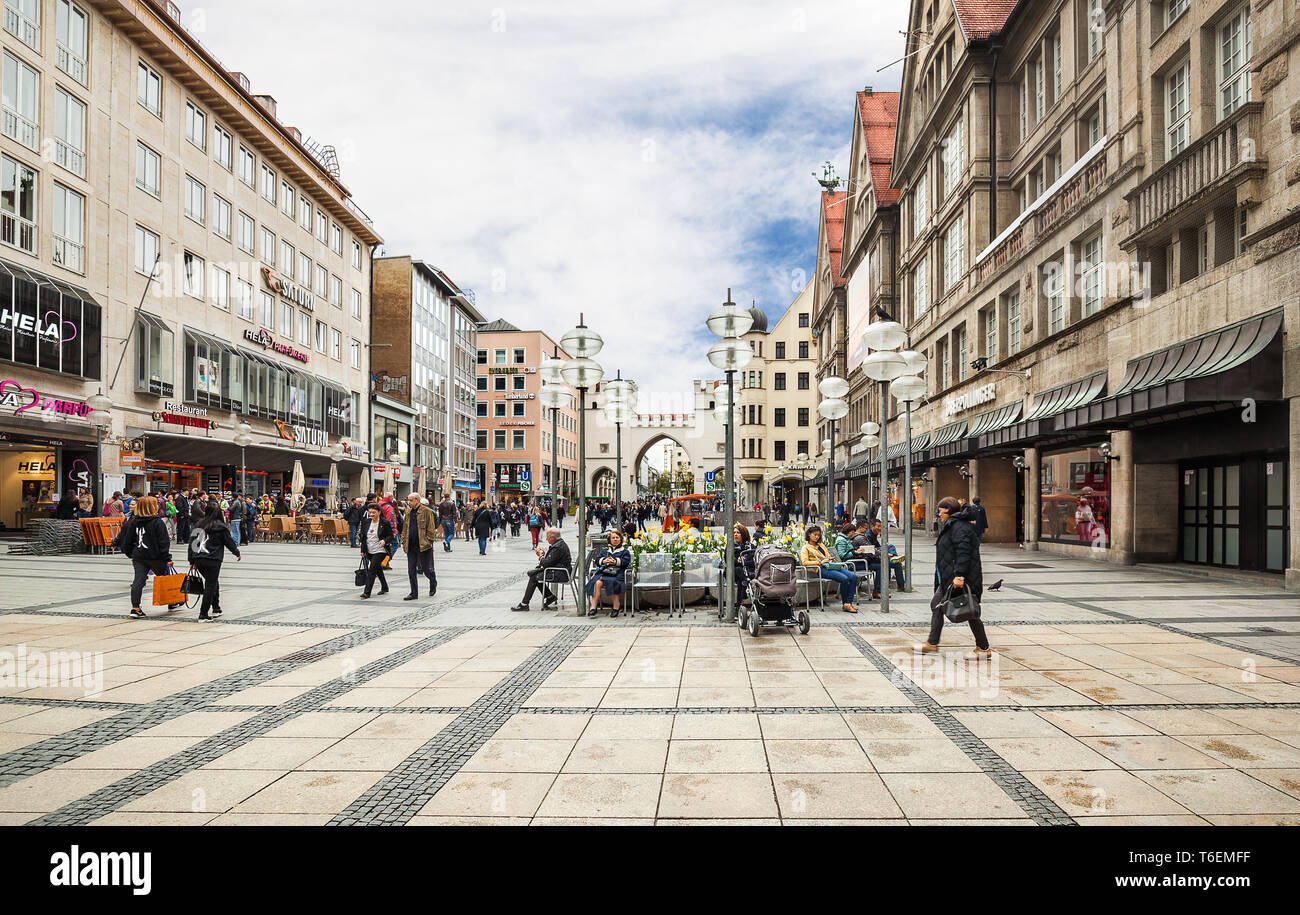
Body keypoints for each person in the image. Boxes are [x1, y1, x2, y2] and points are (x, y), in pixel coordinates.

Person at [915, 496, 991, 660]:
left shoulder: (959, 527)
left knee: (970, 611)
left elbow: (963, 553)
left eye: (940, 511)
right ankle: (932, 643)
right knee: (937, 605)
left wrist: (960, 576)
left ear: (948, 510)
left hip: (961, 578)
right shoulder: (953, 525)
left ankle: (983, 648)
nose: (939, 514)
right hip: (949, 577)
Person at [114, 495, 177, 619]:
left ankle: (135, 608)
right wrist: (167, 558)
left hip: (139, 556)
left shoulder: (133, 521)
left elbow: (128, 540)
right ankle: (172, 601)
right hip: (156, 557)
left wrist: (131, 554)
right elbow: (163, 543)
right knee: (165, 578)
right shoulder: (157, 522)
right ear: (152, 507)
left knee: (138, 580)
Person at [188, 500, 241, 621]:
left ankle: (216, 607)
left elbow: (192, 544)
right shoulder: (221, 527)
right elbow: (228, 542)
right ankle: (203, 614)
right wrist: (236, 552)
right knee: (210, 585)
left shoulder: (198, 525)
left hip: (199, 559)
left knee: (212, 581)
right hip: (213, 559)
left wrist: (191, 560)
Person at [800, 524, 858, 613]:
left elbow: (827, 555)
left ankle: (848, 603)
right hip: (821, 569)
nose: (817, 537)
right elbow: (805, 562)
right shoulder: (806, 548)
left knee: (854, 577)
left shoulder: (821, 545)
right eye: (814, 534)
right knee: (844, 579)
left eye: (818, 535)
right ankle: (846, 604)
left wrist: (830, 558)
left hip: (831, 565)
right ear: (809, 534)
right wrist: (820, 562)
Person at [511, 527, 571, 611]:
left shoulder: (557, 547)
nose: (546, 539)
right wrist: (543, 555)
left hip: (559, 573)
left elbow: (546, 563)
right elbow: (551, 560)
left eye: (547, 537)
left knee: (534, 577)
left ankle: (524, 604)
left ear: (552, 537)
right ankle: (550, 597)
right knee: (536, 576)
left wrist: (540, 556)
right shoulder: (559, 544)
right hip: (559, 570)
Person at [585, 529, 630, 618]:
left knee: (611, 582)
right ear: (610, 540)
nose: (615, 539)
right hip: (604, 573)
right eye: (613, 538)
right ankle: (593, 607)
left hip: (617, 574)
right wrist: (604, 560)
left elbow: (626, 562)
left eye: (617, 537)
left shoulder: (624, 551)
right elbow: (597, 561)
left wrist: (615, 561)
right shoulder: (605, 551)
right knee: (596, 583)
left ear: (620, 539)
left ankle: (616, 606)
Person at [402, 493, 438, 601]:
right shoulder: (408, 512)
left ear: (417, 500)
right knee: (411, 570)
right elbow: (405, 528)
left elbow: (431, 528)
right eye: (408, 500)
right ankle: (414, 593)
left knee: (427, 570)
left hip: (423, 545)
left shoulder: (426, 511)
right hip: (411, 545)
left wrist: (428, 542)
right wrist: (404, 541)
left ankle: (433, 581)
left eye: (411, 500)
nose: (409, 502)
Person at [356, 503, 394, 598]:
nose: (371, 514)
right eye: (370, 512)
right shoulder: (367, 522)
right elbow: (363, 537)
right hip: (369, 550)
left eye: (374, 512)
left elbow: (391, 535)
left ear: (379, 512)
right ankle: (385, 587)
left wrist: (384, 541)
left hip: (380, 550)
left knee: (372, 570)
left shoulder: (384, 523)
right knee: (378, 569)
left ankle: (367, 592)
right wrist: (362, 550)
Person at [864, 518, 906, 596]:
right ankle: (880, 590)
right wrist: (885, 553)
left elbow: (878, 546)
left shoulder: (874, 534)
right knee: (890, 550)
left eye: (881, 526)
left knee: (897, 563)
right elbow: (872, 550)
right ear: (872, 526)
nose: (880, 528)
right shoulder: (868, 535)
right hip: (874, 557)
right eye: (878, 526)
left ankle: (901, 585)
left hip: (878, 555)